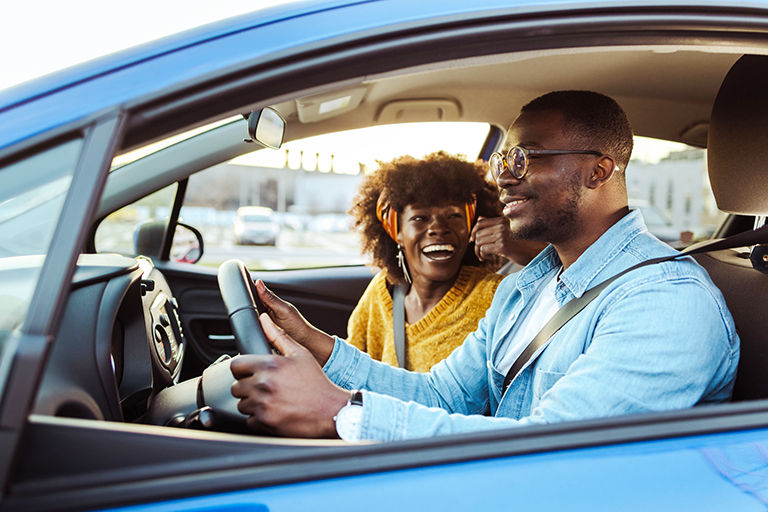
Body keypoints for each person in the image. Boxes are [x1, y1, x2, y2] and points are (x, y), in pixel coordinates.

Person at [229, 90, 739, 441]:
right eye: (502, 163)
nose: (504, 179)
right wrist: (315, 342)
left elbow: (554, 450)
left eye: (525, 158)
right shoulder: (529, 286)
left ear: (598, 170)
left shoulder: (666, 302)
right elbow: (441, 395)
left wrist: (340, 412)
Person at [346, 152, 516, 372]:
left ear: (471, 226)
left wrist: (518, 247)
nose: (438, 228)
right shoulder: (382, 292)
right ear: (396, 232)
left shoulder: (495, 295)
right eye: (420, 218)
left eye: (454, 216)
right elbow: (349, 371)